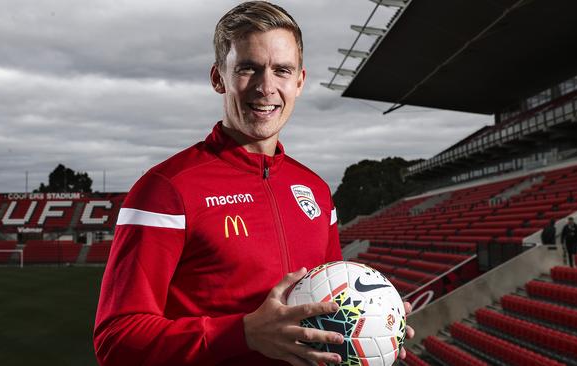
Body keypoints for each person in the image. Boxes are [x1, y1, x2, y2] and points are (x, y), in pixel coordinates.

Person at [93, 3, 413, 366]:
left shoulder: (317, 191)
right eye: (248, 68)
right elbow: (116, 341)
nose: (266, 87)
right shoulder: (165, 190)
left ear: (299, 81)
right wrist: (242, 334)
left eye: (282, 70)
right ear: (219, 78)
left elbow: (329, 308)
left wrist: (373, 329)